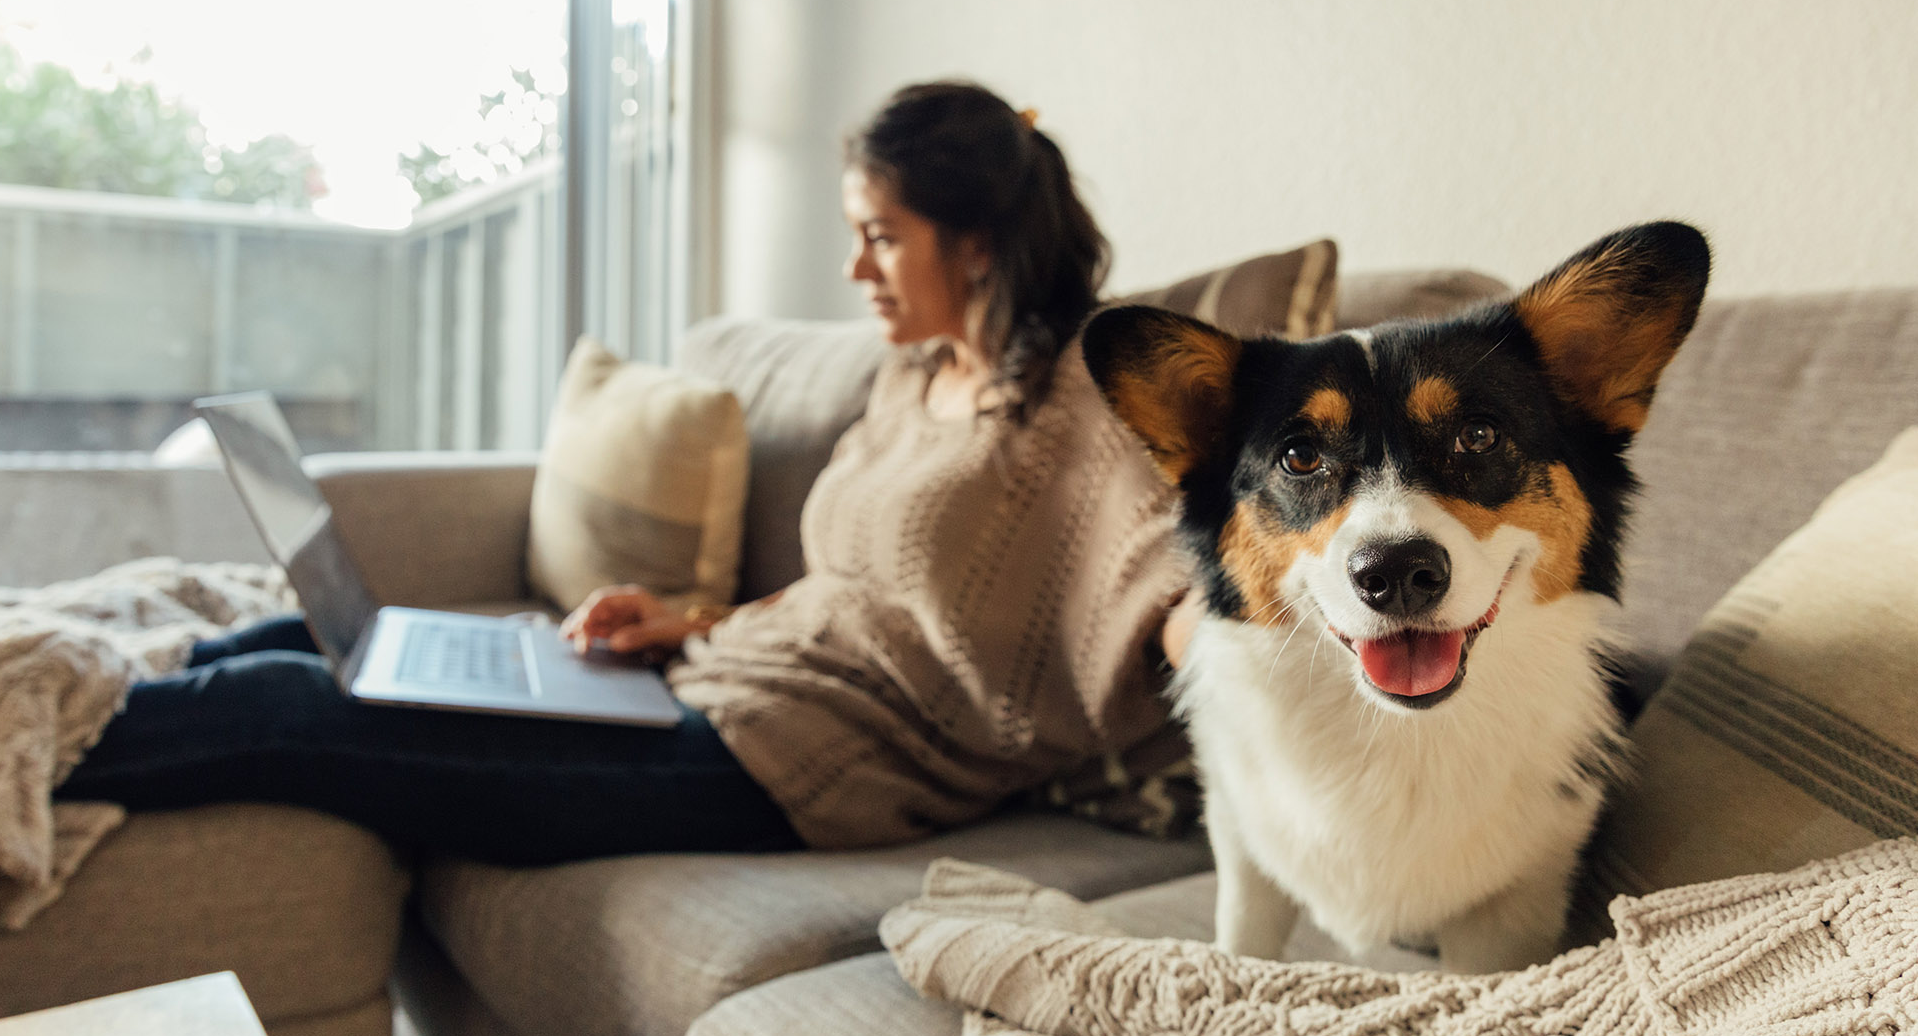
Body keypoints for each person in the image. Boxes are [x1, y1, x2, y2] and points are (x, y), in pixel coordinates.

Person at [58, 80, 1188, 864]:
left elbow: (1178, 579)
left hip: (795, 771)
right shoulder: (915, 376)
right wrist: (687, 619)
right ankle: (62, 691)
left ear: (979, 239)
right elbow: (852, 591)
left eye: (882, 236)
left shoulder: (1089, 402)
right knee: (293, 641)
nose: (856, 268)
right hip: (716, 685)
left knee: (287, 705)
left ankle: (21, 751)